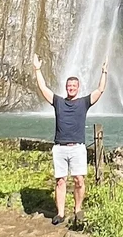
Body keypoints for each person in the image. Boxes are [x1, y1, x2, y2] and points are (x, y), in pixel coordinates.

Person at [32, 53, 108, 226]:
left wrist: (104, 72)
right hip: (60, 147)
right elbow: (43, 88)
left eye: (74, 85)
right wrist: (37, 69)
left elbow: (100, 90)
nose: (71, 88)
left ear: (78, 87)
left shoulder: (84, 102)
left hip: (77, 148)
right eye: (69, 85)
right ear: (66, 87)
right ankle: (59, 213)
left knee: (79, 180)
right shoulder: (58, 102)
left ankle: (78, 209)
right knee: (60, 181)